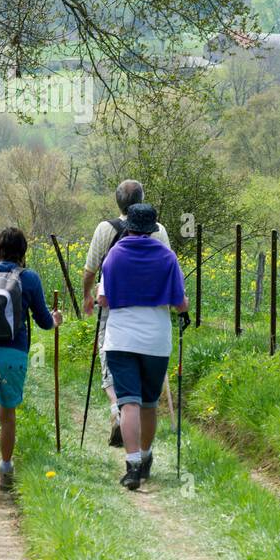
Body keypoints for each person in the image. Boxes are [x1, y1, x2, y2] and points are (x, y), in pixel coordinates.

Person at [0, 227, 63, 501]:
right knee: (8, 416)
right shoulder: (29, 278)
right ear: (23, 252)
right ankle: (5, 469)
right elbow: (43, 321)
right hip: (14, 357)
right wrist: (56, 320)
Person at [96, 203, 187, 490]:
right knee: (149, 402)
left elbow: (103, 300)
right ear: (153, 228)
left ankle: (132, 464)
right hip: (156, 340)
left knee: (128, 401)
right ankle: (146, 457)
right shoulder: (167, 257)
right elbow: (180, 302)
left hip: (121, 338)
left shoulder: (114, 256)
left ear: (129, 226)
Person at [82, 180, 171, 446]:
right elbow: (168, 265)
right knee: (143, 361)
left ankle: (116, 408)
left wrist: (87, 296)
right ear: (142, 199)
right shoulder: (159, 230)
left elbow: (90, 269)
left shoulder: (105, 228)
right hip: (152, 306)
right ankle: (140, 436)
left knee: (109, 354)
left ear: (117, 201)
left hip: (113, 304)